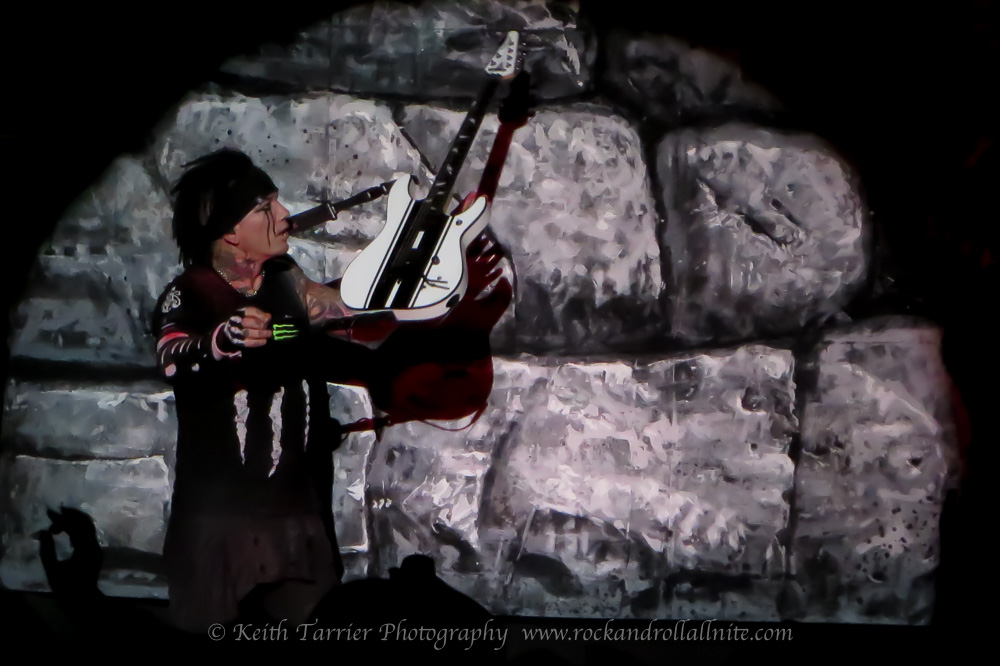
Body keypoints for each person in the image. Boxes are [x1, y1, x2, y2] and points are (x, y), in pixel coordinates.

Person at [151, 149, 511, 633]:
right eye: (265, 208)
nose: (283, 215)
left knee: (318, 636)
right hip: (218, 521)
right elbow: (172, 355)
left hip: (297, 515)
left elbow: (352, 306)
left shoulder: (285, 279)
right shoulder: (191, 291)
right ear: (231, 231)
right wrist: (220, 341)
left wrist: (437, 257)